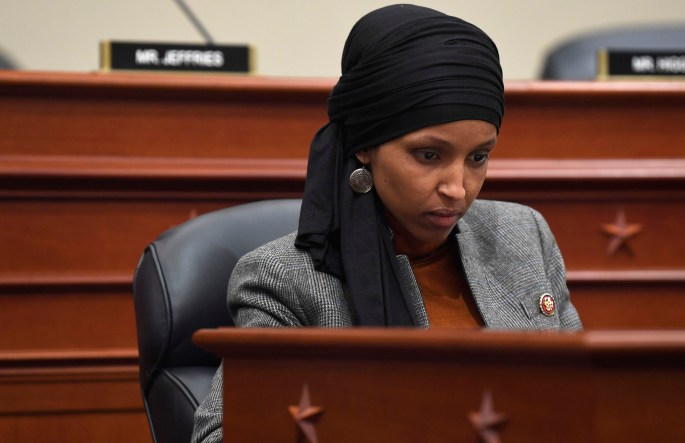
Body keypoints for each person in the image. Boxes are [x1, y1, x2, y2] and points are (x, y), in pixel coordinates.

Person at [191, 4, 581, 442]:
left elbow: (586, 400)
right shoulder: (285, 280)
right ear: (365, 147)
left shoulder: (523, 234)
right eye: (428, 155)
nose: (458, 188)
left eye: (478, 157)